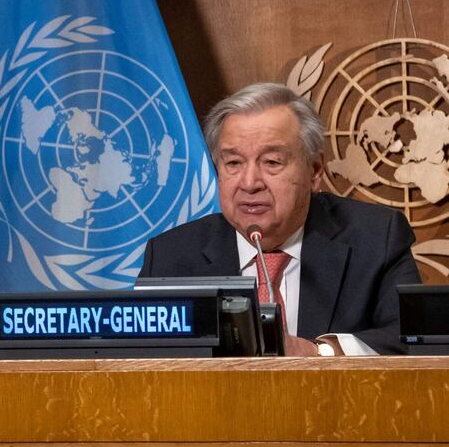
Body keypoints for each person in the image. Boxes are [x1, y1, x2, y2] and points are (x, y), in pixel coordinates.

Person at [138, 82, 420, 355]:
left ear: (315, 171)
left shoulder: (376, 238)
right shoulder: (169, 258)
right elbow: (139, 359)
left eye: (272, 162)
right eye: (233, 163)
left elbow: (414, 339)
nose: (249, 183)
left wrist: (319, 352)